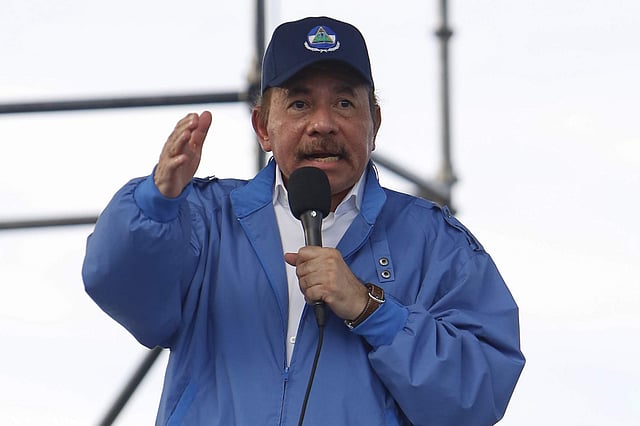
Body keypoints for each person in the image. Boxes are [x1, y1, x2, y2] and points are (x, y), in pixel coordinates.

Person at [82, 16, 524, 425]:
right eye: (299, 104)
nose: (323, 124)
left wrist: (371, 309)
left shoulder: (435, 242)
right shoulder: (205, 220)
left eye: (345, 103)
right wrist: (157, 202)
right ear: (263, 127)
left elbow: (478, 394)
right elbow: (119, 287)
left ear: (375, 123)